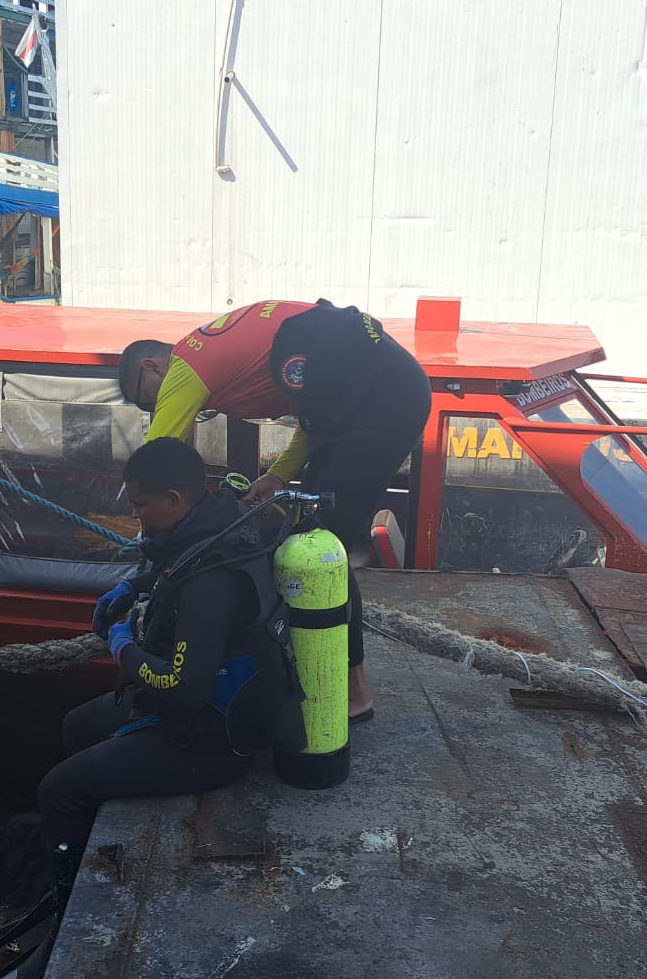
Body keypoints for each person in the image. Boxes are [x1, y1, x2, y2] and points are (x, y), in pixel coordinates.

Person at [117, 299, 432, 722]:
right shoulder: (232, 355)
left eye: (147, 400)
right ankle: (322, 668)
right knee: (307, 529)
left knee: (322, 544)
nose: (155, 408)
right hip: (375, 394)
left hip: (381, 405)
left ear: (153, 367)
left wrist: (145, 555)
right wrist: (279, 478)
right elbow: (314, 417)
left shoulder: (183, 370)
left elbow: (156, 467)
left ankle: (354, 690)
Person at [35, 437, 303, 899]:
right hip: (186, 709)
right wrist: (131, 585)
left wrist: (120, 647)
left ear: (173, 499)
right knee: (76, 725)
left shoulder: (212, 582)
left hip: (211, 740)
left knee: (57, 791)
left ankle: (66, 904)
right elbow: (172, 568)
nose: (136, 516)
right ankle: (81, 851)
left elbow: (183, 688)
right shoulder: (217, 524)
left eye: (140, 505)